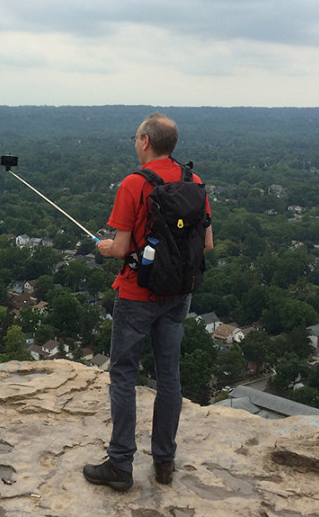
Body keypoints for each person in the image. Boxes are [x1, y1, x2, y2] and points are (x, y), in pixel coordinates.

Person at [83, 112, 213, 491]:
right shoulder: (195, 182)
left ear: (145, 141)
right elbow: (206, 244)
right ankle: (164, 461)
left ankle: (121, 464)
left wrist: (108, 248)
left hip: (137, 294)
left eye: (135, 138)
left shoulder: (134, 184)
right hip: (178, 295)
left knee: (123, 373)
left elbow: (121, 248)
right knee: (168, 374)